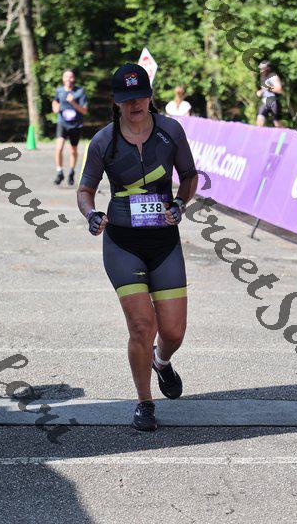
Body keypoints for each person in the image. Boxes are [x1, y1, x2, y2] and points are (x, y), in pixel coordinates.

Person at [77, 63, 198, 431]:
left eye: (140, 97)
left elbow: (189, 176)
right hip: (123, 243)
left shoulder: (170, 131)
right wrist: (91, 214)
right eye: (127, 99)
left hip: (164, 242)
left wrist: (180, 203)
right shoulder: (104, 141)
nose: (135, 105)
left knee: (173, 332)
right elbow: (85, 190)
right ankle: (144, 402)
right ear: (116, 102)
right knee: (142, 325)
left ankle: (162, 361)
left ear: (150, 96)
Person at [52, 69, 88, 185]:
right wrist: (55, 107)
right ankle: (59, 172)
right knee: (59, 148)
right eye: (66, 77)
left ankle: (71, 172)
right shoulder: (59, 90)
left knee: (73, 150)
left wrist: (73, 102)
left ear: (74, 79)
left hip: (75, 125)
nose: (69, 79)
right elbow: (55, 101)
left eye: (71, 77)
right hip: (62, 123)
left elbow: (84, 111)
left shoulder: (80, 91)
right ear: (63, 79)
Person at [256, 61, 283, 127]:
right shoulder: (262, 78)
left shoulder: (273, 77)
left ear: (267, 69)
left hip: (274, 102)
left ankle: (285, 132)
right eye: (260, 69)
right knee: (259, 118)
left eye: (263, 69)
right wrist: (260, 91)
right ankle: (259, 133)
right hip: (265, 101)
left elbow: (279, 89)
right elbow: (264, 89)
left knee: (276, 123)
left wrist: (269, 88)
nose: (261, 70)